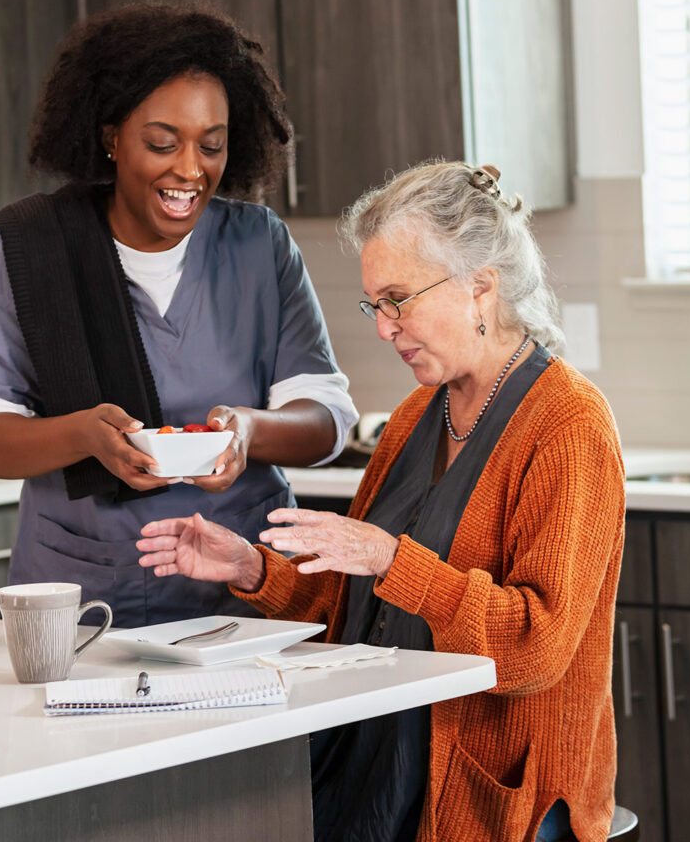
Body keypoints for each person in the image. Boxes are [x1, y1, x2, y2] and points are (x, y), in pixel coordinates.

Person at [137, 160, 625, 842]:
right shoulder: (413, 418)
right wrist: (252, 568)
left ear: (479, 289)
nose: (383, 327)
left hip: (495, 799)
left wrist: (394, 557)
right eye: (375, 305)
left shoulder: (569, 427)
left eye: (399, 299)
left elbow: (536, 648)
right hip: (373, 771)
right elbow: (357, 607)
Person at [0, 0, 358, 628]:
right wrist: (84, 435)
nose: (190, 170)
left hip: (244, 594)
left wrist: (249, 431)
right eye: (162, 143)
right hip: (85, 596)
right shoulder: (34, 251)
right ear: (111, 137)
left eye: (211, 146)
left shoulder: (257, 245)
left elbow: (326, 417)